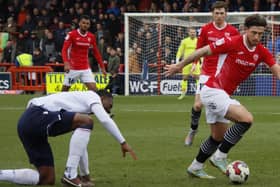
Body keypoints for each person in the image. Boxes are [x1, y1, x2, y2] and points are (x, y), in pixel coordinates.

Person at [164, 14, 280, 179]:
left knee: (217, 137)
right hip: (212, 90)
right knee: (246, 119)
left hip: (222, 95)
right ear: (245, 30)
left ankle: (195, 167)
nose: (257, 37)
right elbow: (203, 50)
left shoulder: (262, 51)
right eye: (254, 32)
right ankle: (220, 156)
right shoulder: (232, 42)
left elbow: (277, 70)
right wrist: (180, 65)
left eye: (261, 34)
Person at [0, 90, 137, 186]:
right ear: (102, 98)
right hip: (36, 115)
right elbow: (104, 120)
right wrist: (123, 142)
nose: (108, 110)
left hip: (28, 124)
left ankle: (2, 175)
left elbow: (80, 146)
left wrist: (85, 176)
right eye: (109, 106)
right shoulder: (92, 96)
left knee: (47, 179)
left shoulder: (78, 112)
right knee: (87, 121)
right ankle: (70, 175)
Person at [184, 1, 239, 146]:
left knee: (220, 108)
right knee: (197, 105)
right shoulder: (205, 29)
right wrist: (194, 66)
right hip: (207, 73)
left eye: (222, 13)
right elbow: (198, 50)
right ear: (212, 14)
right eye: (217, 13)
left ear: (226, 14)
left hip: (223, 76)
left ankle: (218, 136)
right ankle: (193, 130)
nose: (219, 16)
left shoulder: (233, 32)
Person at [61, 15, 106, 92]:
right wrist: (66, 63)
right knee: (64, 91)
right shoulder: (72, 34)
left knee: (94, 91)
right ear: (79, 23)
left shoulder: (91, 36)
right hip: (73, 69)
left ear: (89, 25)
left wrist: (102, 67)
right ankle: (59, 103)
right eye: (83, 23)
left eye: (87, 23)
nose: (85, 25)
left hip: (85, 69)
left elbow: (96, 52)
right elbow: (64, 50)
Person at [176, 27, 200, 100]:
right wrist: (177, 59)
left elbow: (201, 51)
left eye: (194, 32)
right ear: (189, 33)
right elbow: (180, 50)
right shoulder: (184, 41)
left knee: (197, 77)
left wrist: (202, 61)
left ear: (196, 33)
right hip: (186, 62)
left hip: (196, 61)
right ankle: (183, 93)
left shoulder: (199, 41)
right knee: (185, 77)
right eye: (191, 32)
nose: (192, 33)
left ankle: (199, 93)